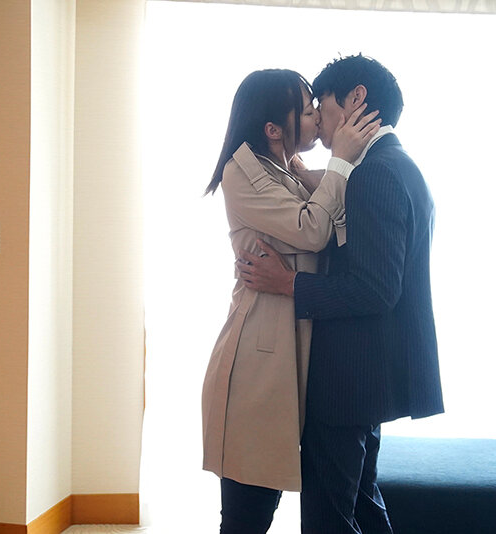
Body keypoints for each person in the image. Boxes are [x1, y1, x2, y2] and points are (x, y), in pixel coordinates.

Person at [238, 55, 444, 534]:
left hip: (348, 380)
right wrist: (317, 174)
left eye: (322, 102)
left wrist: (288, 283)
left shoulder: (376, 174)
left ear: (355, 98)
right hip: (367, 376)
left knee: (330, 518)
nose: (317, 116)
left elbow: (375, 288)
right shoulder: (390, 164)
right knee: (362, 507)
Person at [202, 68, 381, 534]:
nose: (317, 116)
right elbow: (312, 229)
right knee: (247, 515)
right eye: (305, 111)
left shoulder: (283, 168)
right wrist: (339, 161)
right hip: (259, 361)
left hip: (291, 348)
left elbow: (334, 209)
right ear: (273, 128)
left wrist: (334, 163)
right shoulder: (242, 171)